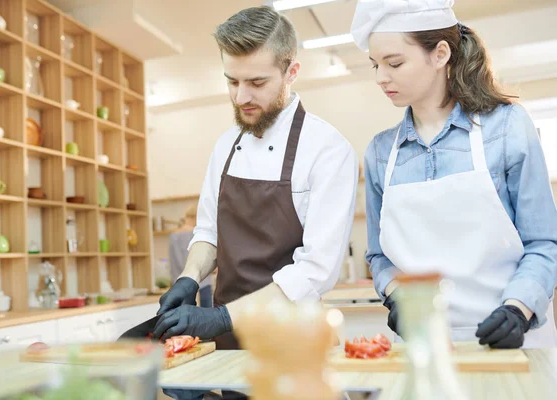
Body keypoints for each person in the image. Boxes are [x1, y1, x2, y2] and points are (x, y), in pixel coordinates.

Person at [121, 6, 358, 347]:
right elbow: (208, 232)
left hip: (296, 343)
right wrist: (189, 277)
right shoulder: (226, 145)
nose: (240, 97)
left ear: (291, 72)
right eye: (232, 81)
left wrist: (221, 317)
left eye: (256, 82)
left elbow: (315, 271)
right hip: (227, 341)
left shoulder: (327, 149)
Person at [352, 0, 557, 348]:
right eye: (375, 64)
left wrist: (517, 309)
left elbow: (544, 242)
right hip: (424, 346)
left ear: (440, 54)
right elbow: (378, 256)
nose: (380, 77)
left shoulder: (507, 128)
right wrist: (397, 295)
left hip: (513, 342)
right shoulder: (381, 153)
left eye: (394, 63)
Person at [168, 205, 213, 308]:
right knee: (205, 319)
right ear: (194, 217)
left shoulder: (173, 236)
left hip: (180, 285)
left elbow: (174, 263)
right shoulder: (199, 235)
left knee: (185, 319)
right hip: (202, 284)